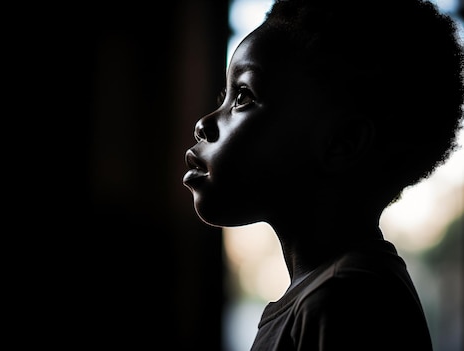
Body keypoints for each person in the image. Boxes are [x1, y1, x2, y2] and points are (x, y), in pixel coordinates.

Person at [182, 0, 463, 350]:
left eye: (243, 97)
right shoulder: (332, 292)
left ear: (342, 143)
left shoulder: (347, 301)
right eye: (225, 97)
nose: (203, 124)